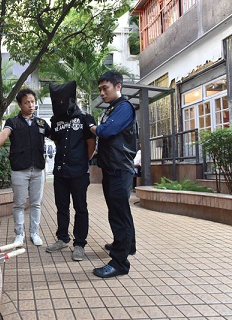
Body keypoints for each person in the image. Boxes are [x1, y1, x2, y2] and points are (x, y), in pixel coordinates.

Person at [87, 71, 137, 278]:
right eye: (100, 89)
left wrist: (91, 126)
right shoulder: (113, 108)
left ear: (118, 87)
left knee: (119, 214)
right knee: (119, 211)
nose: (101, 93)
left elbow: (106, 131)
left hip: (119, 168)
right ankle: (126, 245)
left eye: (105, 88)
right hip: (112, 168)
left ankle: (119, 263)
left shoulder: (124, 107)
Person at [0, 88, 51, 246]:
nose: (31, 105)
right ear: (19, 104)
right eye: (27, 102)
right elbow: (4, 133)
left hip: (38, 169)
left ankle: (34, 233)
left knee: (36, 203)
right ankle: (19, 234)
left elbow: (55, 136)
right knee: (19, 204)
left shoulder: (41, 123)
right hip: (19, 171)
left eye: (32, 102)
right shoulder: (12, 122)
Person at [45, 81, 96, 261]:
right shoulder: (55, 120)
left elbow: (91, 143)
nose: (59, 103)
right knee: (61, 206)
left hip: (79, 172)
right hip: (60, 171)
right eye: (56, 101)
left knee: (80, 208)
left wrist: (84, 160)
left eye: (62, 100)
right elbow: (56, 140)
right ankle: (62, 238)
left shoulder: (85, 118)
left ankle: (80, 244)